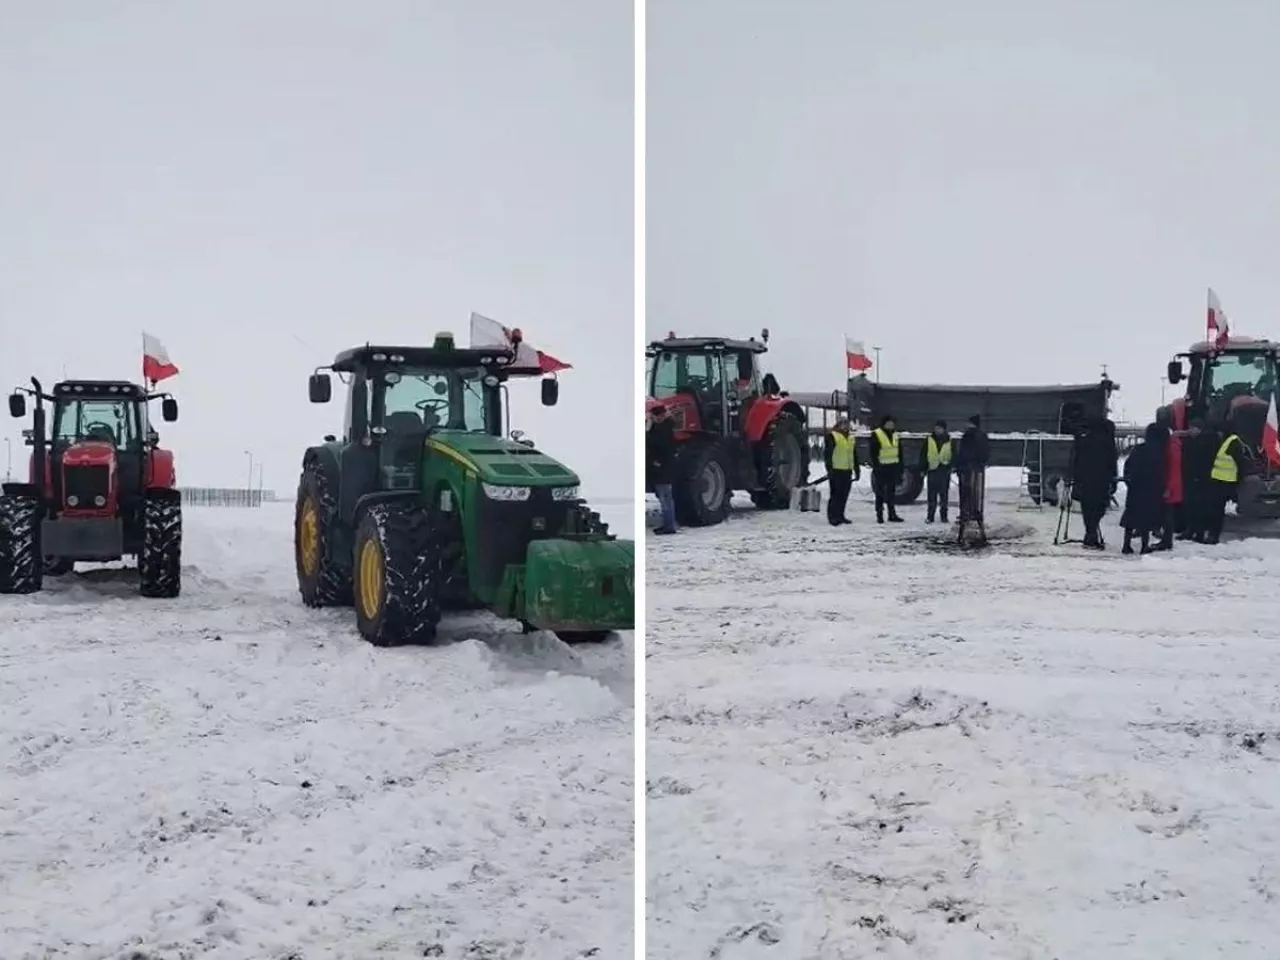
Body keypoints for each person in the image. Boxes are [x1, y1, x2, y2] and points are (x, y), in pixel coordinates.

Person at [1069, 416, 1118, 549]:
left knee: (1087, 508)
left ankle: (1090, 533)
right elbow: (1112, 463)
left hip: (1085, 480)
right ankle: (1091, 533)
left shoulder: (1084, 441)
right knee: (1099, 507)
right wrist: (1114, 480)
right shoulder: (1108, 443)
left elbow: (1076, 461)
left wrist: (1075, 479)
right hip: (1101, 480)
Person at [1121, 422, 1167, 554]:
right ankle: (1144, 546)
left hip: (1135, 487)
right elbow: (1160, 472)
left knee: (1130, 515)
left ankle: (1126, 544)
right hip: (1150, 488)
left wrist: (1129, 481)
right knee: (1146, 519)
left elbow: (1128, 466)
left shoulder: (1138, 449)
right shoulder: (1158, 452)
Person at [1205, 418, 1248, 544]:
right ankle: (1212, 534)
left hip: (1225, 482)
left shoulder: (1233, 442)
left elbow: (1241, 464)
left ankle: (1214, 536)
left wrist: (1238, 483)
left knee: (1217, 510)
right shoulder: (1227, 441)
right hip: (1219, 480)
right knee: (1214, 509)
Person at [1179, 418, 1214, 542]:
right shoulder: (1190, 441)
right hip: (1190, 477)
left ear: (1199, 429)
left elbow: (1205, 461)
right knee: (1189, 506)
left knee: (1199, 507)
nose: (1191, 430)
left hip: (1201, 479)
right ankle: (1190, 529)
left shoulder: (1206, 442)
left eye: (1194, 428)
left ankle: (1199, 532)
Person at [955, 414, 990, 532]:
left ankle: (966, 515)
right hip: (977, 469)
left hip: (967, 470)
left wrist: (960, 466)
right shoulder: (982, 436)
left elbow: (963, 453)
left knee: (966, 493)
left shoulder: (968, 436)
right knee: (977, 494)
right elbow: (985, 453)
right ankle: (976, 514)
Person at [647, 405, 678, 535]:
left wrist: (656, 462)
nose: (650, 418)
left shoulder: (661, 430)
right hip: (664, 468)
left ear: (658, 416)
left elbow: (658, 446)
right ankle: (669, 524)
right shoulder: (667, 427)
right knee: (666, 498)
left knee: (665, 498)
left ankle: (669, 525)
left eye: (652, 416)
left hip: (661, 469)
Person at [823, 416, 860, 525]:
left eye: (847, 424)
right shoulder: (833, 436)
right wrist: (829, 469)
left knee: (844, 495)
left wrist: (857, 470)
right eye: (843, 424)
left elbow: (854, 455)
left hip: (847, 470)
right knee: (835, 495)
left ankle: (840, 515)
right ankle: (832, 517)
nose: (846, 426)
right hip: (836, 470)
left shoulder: (851, 438)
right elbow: (828, 454)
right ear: (838, 425)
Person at [917, 419, 954, 523]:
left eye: (940, 428)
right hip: (932, 470)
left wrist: (952, 466)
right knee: (931, 496)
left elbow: (954, 455)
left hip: (944, 471)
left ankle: (944, 516)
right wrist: (922, 469)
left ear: (944, 429)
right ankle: (930, 516)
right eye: (936, 428)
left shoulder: (949, 440)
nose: (937, 430)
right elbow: (923, 455)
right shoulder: (929, 440)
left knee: (944, 496)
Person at [868, 414, 904, 523]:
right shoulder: (877, 434)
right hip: (881, 468)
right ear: (884, 423)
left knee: (891, 493)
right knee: (879, 493)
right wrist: (876, 466)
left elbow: (899, 452)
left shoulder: (895, 435)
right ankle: (879, 515)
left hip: (892, 467)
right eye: (889, 423)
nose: (891, 425)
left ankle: (892, 514)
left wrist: (900, 467)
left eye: (892, 423)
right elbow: (873, 453)